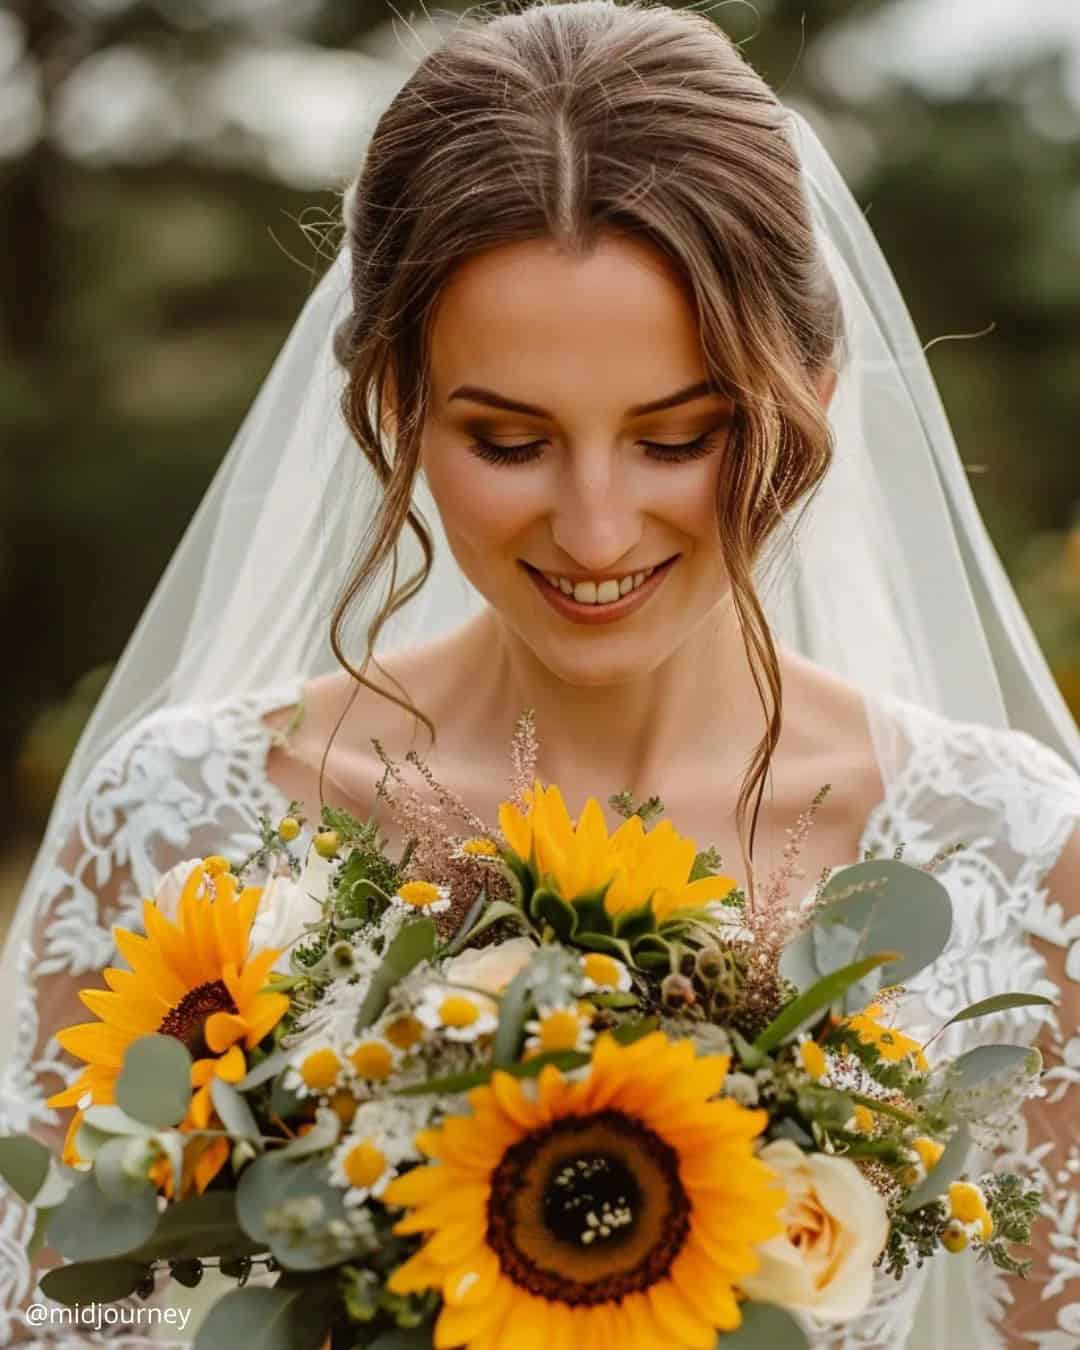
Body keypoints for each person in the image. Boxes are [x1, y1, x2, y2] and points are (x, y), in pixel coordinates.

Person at [1, 2, 1077, 1346]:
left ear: (808, 383)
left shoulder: (1010, 851)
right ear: (393, 402)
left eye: (676, 437)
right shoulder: (179, 822)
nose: (596, 528)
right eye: (509, 442)